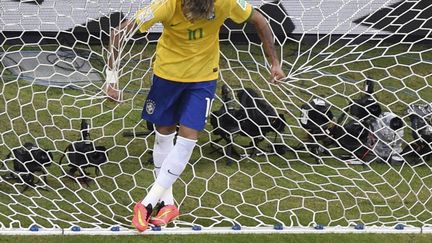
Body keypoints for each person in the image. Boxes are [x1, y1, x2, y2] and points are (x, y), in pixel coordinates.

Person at [104, 0, 286, 232]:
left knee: (189, 136)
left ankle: (147, 203)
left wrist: (275, 63)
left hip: (202, 79)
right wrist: (111, 79)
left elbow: (260, 19)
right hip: (167, 76)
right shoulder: (166, 5)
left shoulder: (226, 2)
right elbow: (120, 32)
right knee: (163, 136)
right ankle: (168, 204)